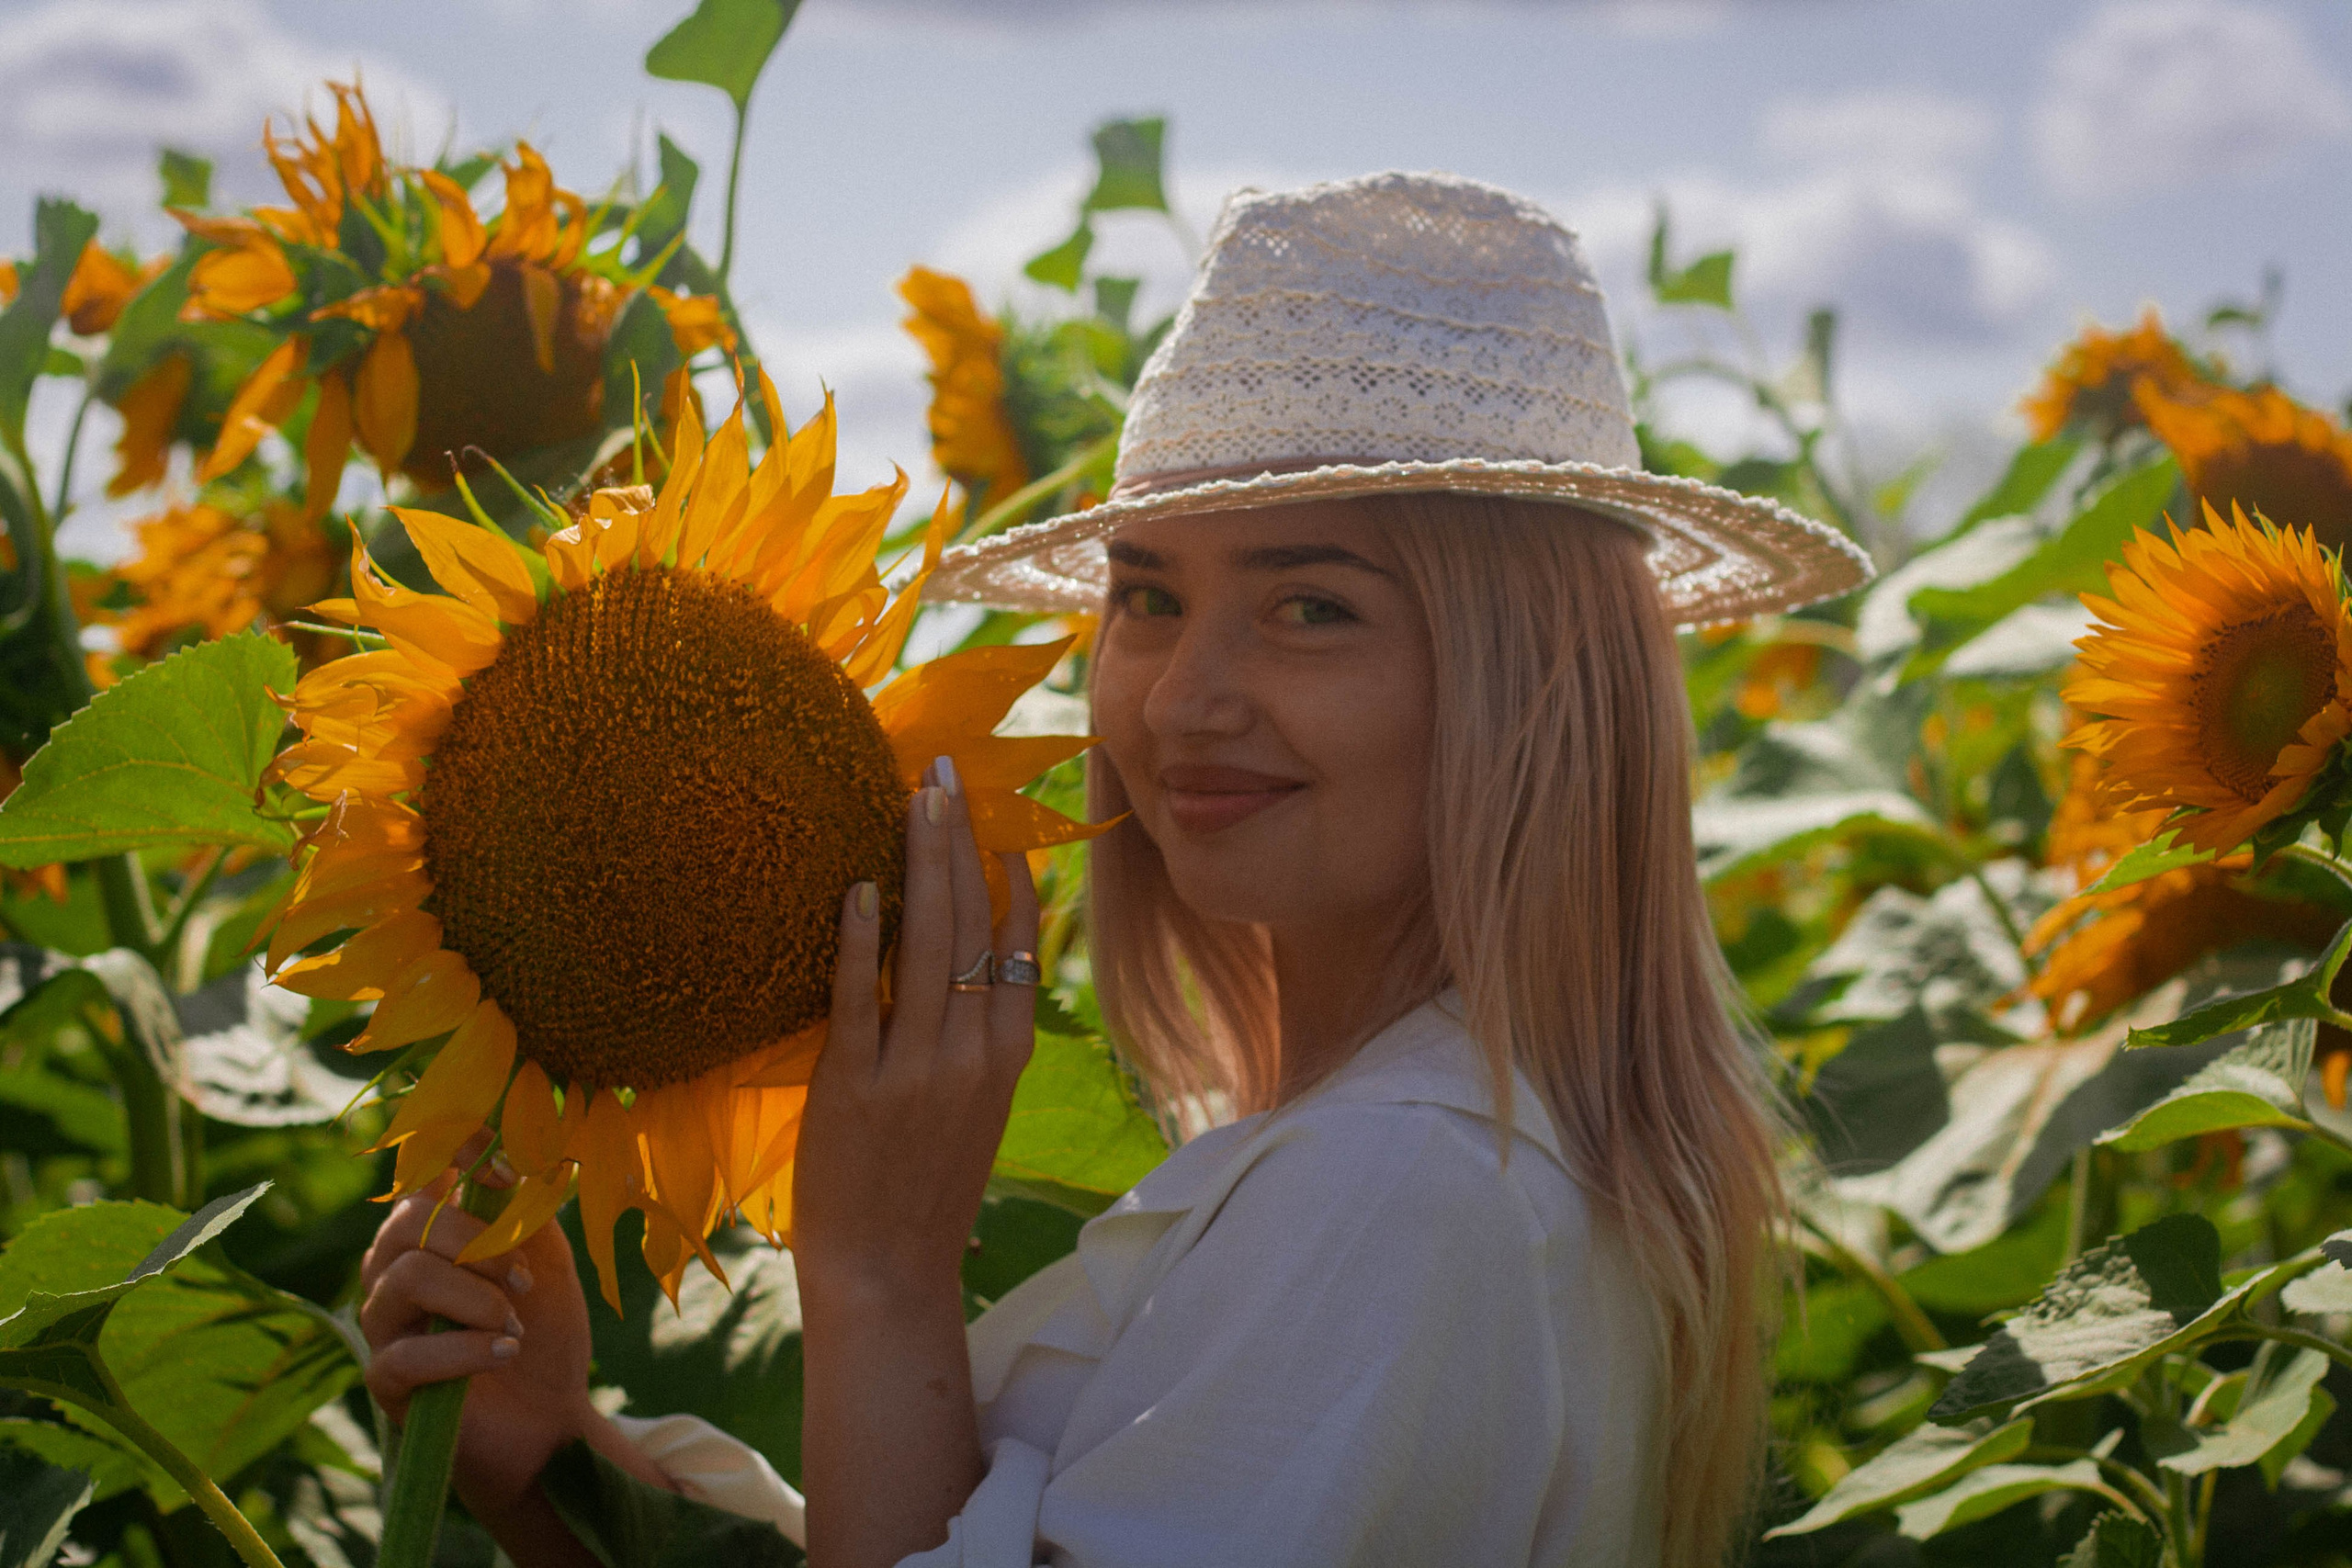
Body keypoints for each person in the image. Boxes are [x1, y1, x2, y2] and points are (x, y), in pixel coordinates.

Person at [356, 171, 1870, 1568]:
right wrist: (557, 1462)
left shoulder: (1405, 1185)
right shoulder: (1401, 1138)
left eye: (1313, 610)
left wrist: (880, 1273)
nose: (1180, 697)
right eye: (1148, 598)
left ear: (1535, 682)